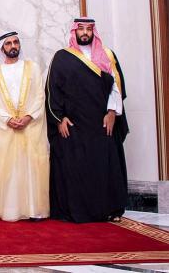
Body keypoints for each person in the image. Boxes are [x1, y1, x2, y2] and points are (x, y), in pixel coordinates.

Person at [46, 18, 129, 222]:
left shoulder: (107, 55)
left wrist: (112, 113)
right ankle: (76, 212)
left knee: (104, 166)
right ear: (74, 32)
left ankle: (108, 210)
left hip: (101, 123)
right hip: (73, 124)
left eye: (88, 29)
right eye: (81, 29)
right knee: (75, 168)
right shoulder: (62, 57)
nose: (85, 33)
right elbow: (51, 91)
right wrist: (59, 119)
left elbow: (116, 88)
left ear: (94, 32)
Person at [0, 32, 49, 221]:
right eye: (8, 43)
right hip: (7, 128)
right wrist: (7, 119)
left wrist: (29, 117)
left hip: (30, 126)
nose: (13, 46)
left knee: (32, 165)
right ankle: (11, 210)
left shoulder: (32, 67)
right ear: (2, 48)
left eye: (15, 42)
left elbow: (40, 95)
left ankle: (33, 209)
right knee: (10, 167)